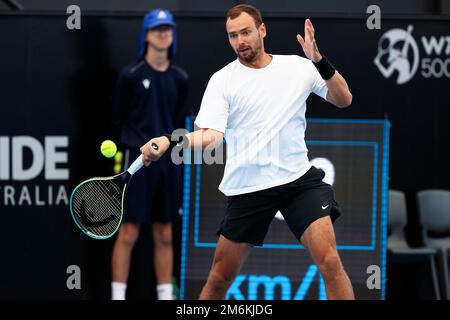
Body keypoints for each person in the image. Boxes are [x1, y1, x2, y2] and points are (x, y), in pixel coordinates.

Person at [140, 4, 354, 300]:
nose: (240, 41)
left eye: (245, 32)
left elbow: (343, 99)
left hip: (298, 182)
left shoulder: (299, 67)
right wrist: (170, 141)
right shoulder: (222, 80)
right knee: (219, 278)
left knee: (330, 261)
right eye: (232, 35)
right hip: (248, 189)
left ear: (261, 30)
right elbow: (211, 136)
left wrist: (319, 61)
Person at [110, 8, 188, 300]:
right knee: (128, 232)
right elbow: (117, 120)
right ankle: (118, 296)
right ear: (146, 35)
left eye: (167, 28)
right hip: (135, 161)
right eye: (157, 29)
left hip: (167, 164)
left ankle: (165, 296)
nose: (163, 33)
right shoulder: (130, 76)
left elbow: (179, 123)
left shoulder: (180, 78)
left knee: (165, 234)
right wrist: (130, 151)